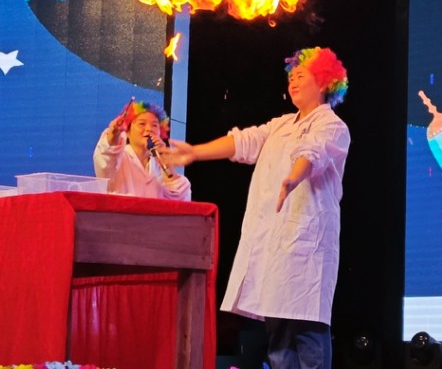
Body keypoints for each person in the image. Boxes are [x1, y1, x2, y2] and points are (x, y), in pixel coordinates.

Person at [163, 47, 350, 369]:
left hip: (306, 248)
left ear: (323, 82)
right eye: (291, 77)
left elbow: (313, 152)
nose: (293, 82)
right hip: (276, 249)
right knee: (278, 340)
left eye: (301, 76)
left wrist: (293, 178)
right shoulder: (281, 125)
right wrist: (195, 152)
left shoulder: (332, 125)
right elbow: (243, 141)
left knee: (307, 333)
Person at [93, 99, 192, 200]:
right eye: (142, 124)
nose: (149, 129)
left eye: (155, 125)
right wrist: (114, 134)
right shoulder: (118, 159)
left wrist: (165, 160)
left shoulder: (159, 166)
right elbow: (105, 158)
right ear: (127, 131)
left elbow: (179, 199)